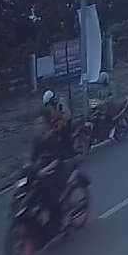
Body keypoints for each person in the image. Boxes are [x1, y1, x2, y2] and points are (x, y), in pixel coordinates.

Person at [31, 90, 78, 235]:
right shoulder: (43, 129)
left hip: (64, 139)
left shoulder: (61, 105)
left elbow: (66, 119)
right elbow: (36, 150)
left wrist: (58, 126)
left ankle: (67, 218)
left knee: (62, 187)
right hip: (53, 150)